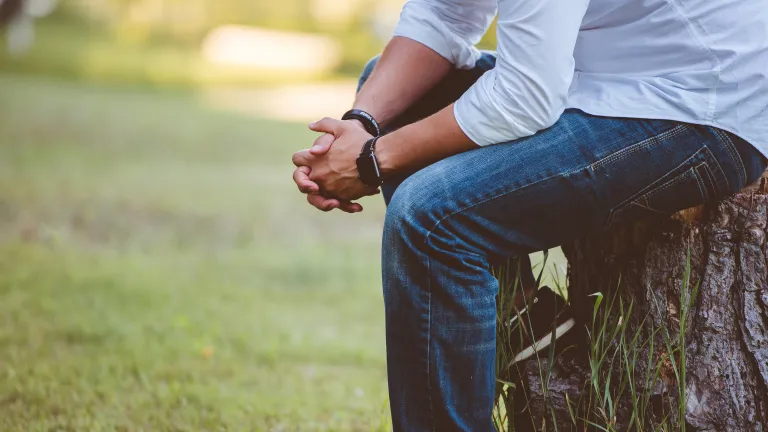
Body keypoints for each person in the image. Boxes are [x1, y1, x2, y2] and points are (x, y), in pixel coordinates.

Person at [291, 0, 768, 429]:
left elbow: (525, 96)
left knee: (430, 219)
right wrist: (361, 127)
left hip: (704, 102)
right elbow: (444, 12)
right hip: (605, 79)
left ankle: (506, 344)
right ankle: (523, 324)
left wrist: (373, 159)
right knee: (396, 95)